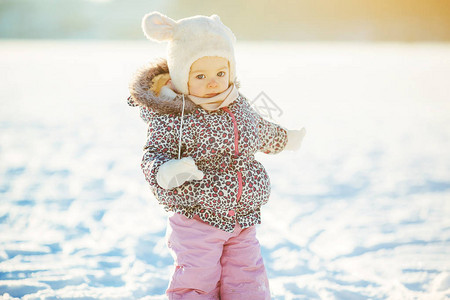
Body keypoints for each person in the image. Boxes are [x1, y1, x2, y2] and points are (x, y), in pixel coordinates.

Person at [127, 12, 306, 300]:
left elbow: (258, 130)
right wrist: (167, 171)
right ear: (182, 75)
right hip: (196, 216)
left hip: (242, 216)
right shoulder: (173, 115)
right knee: (198, 278)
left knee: (247, 278)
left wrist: (285, 138)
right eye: (200, 76)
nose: (213, 83)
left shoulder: (238, 105)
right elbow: (153, 154)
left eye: (220, 74)